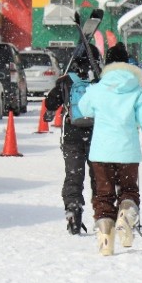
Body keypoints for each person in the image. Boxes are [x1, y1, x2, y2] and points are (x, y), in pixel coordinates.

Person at [78, 44, 142, 255]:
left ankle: (106, 240)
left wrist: (96, 93)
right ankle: (126, 214)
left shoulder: (97, 88)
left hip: (101, 152)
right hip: (128, 152)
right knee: (128, 190)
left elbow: (83, 108)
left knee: (103, 195)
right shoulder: (135, 89)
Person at [43, 43, 101, 235]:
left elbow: (51, 102)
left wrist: (61, 84)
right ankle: (102, 215)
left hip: (72, 134)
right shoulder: (100, 81)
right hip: (97, 135)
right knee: (99, 176)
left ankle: (73, 210)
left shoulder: (67, 80)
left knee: (73, 176)